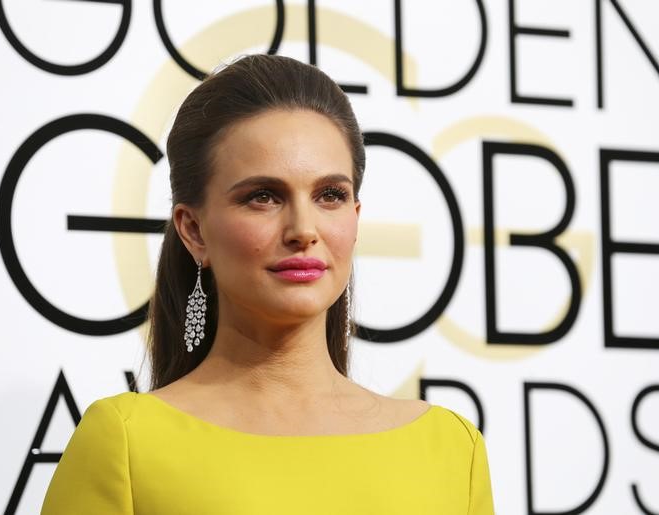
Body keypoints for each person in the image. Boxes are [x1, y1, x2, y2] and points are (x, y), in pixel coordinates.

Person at [40, 53, 494, 514]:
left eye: (330, 195)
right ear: (193, 230)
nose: (303, 228)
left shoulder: (452, 450)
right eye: (263, 196)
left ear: (355, 219)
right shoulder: (125, 442)